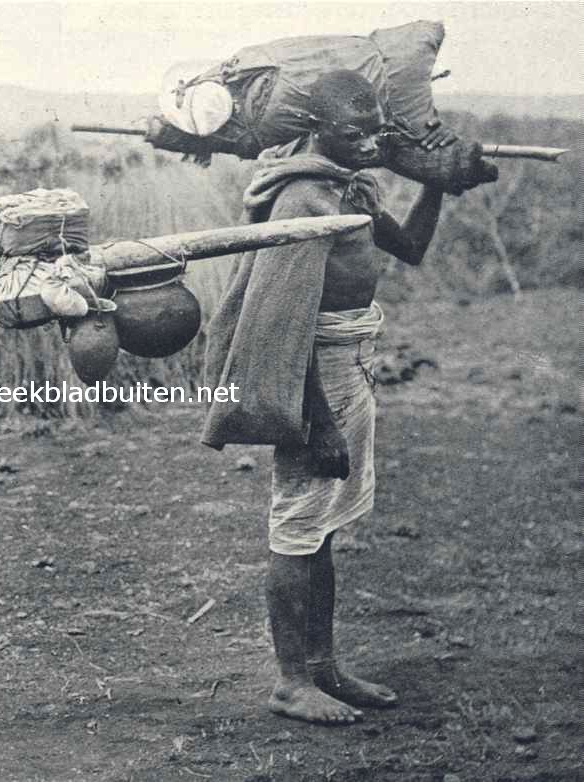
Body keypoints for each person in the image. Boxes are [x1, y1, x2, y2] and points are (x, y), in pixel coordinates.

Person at [201, 70, 460, 725]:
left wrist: (436, 180)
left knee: (321, 524)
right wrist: (315, 422)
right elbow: (280, 323)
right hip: (312, 372)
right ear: (317, 128)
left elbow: (410, 247)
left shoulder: (348, 186)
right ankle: (291, 682)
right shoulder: (302, 199)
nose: (370, 142)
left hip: (351, 362)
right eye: (354, 132)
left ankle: (322, 668)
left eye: (375, 130)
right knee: (298, 524)